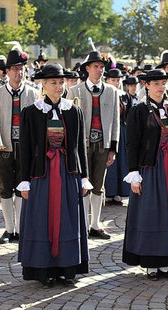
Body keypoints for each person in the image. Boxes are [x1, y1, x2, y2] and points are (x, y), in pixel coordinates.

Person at [17, 63, 90, 288]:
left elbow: (79, 146)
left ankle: (67, 268)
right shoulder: (31, 112)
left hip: (67, 173)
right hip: (42, 175)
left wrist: (84, 177)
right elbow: (25, 149)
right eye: (53, 83)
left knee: (67, 218)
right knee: (42, 220)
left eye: (61, 82)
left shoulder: (73, 110)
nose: (59, 87)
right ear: (43, 84)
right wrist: (24, 180)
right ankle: (43, 269)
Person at [122, 69, 168, 280]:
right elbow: (132, 144)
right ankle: (151, 263)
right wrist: (134, 173)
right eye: (156, 84)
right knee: (152, 212)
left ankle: (167, 261)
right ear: (147, 85)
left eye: (163, 83)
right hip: (151, 169)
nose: (161, 87)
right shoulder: (138, 111)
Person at [0, 48, 39, 244]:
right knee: (5, 188)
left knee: (23, 187)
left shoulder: (33, 93)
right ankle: (9, 229)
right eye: (13, 69)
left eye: (20, 68)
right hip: (2, 148)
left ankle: (21, 229)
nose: (17, 73)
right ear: (7, 71)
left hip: (26, 148)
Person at [66, 51, 120, 240]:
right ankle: (82, 223)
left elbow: (115, 121)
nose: (99, 70)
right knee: (82, 184)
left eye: (101, 67)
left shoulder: (112, 91)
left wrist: (113, 148)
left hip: (103, 145)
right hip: (83, 145)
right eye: (95, 66)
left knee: (99, 184)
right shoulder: (75, 91)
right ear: (87, 68)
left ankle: (95, 224)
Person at [104, 69, 131, 205]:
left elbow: (130, 114)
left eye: (117, 80)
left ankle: (120, 191)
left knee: (122, 161)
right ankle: (108, 191)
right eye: (113, 80)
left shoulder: (125, 96)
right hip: (109, 129)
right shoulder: (105, 94)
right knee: (110, 161)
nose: (116, 82)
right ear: (107, 80)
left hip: (123, 130)